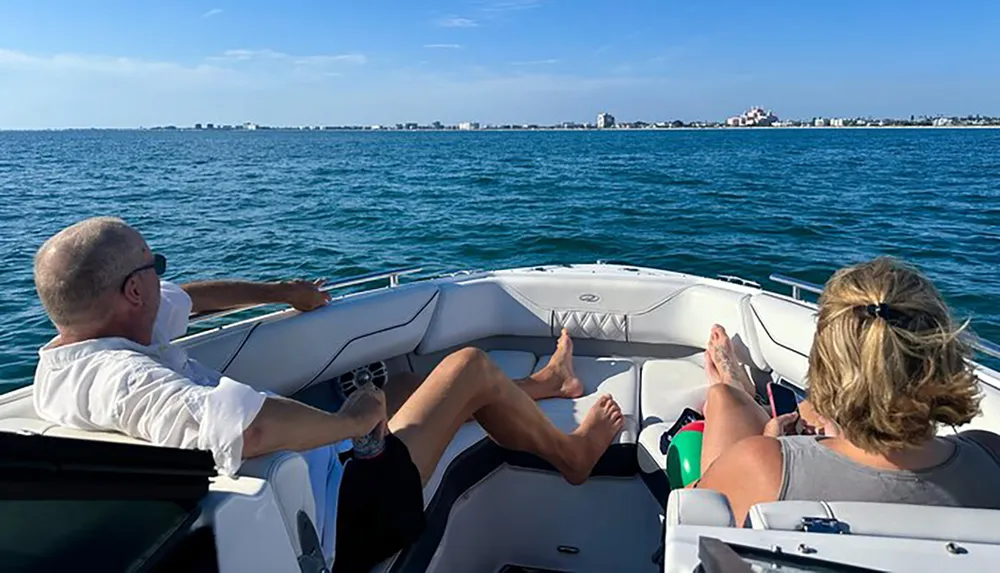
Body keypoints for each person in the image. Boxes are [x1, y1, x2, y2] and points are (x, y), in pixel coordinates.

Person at [31, 217, 625, 572]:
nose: (164, 275)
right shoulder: (122, 380)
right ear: (135, 291)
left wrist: (284, 291)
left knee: (397, 385)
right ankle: (572, 455)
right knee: (465, 367)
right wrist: (351, 422)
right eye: (154, 265)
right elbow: (249, 429)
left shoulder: (83, 354)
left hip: (316, 483)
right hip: (349, 510)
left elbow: (194, 297)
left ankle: (546, 384)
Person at [692, 256, 1000, 525]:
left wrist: (773, 448)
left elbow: (685, 514)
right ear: (944, 356)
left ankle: (733, 388)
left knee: (722, 400)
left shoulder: (762, 465)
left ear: (824, 365)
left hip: (763, 473)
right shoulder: (992, 457)